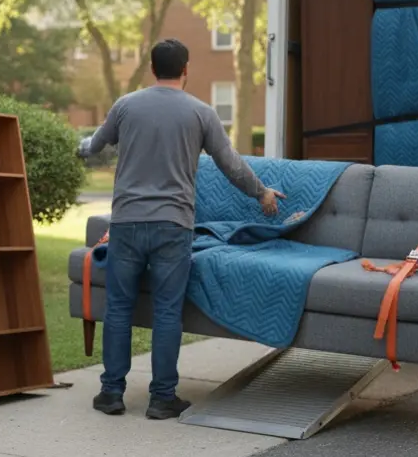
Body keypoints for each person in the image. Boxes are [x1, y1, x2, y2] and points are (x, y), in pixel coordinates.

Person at [78, 39, 284, 419]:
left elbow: (97, 145)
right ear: (186, 68)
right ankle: (162, 398)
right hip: (173, 226)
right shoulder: (201, 113)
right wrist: (262, 192)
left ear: (152, 69)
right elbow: (230, 164)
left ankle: (111, 393)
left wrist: (82, 147)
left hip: (125, 223)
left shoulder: (126, 106)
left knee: (119, 307)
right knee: (167, 311)